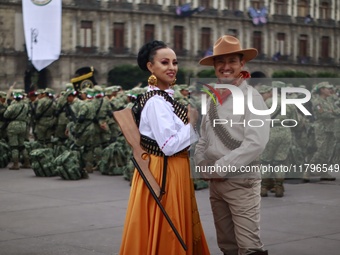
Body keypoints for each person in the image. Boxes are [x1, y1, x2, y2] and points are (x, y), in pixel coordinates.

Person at [119, 40, 210, 255]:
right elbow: (168, 146)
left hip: (171, 168)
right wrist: (193, 125)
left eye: (175, 62)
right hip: (164, 171)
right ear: (150, 67)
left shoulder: (164, 98)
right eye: (165, 62)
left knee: (174, 225)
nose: (172, 67)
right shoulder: (155, 102)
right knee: (169, 229)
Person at [194, 35, 270, 255]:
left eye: (232, 62)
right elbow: (203, 137)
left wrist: (219, 168)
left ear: (241, 64)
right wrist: (201, 163)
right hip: (215, 181)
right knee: (227, 244)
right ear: (215, 66)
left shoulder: (251, 97)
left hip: (241, 181)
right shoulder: (213, 98)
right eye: (220, 62)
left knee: (249, 246)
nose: (226, 67)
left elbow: (256, 143)